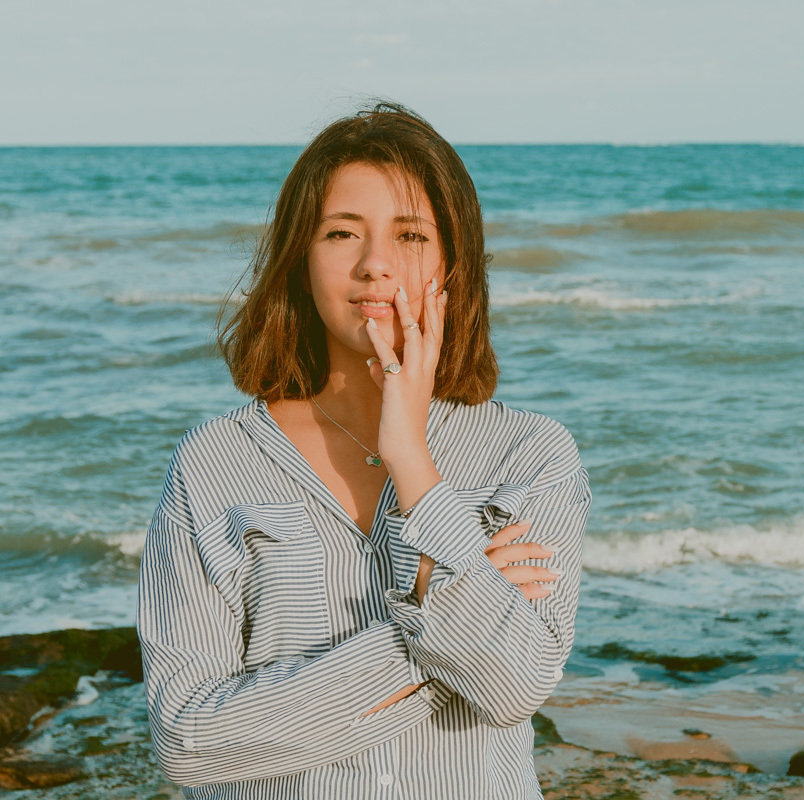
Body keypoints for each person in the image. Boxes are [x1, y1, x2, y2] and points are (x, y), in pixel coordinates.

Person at [136, 101, 591, 799]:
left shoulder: (529, 455)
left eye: (410, 235)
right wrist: (436, 618)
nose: (375, 264)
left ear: (453, 265)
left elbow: (515, 684)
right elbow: (188, 742)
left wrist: (413, 461)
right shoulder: (212, 464)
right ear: (300, 260)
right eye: (342, 232)